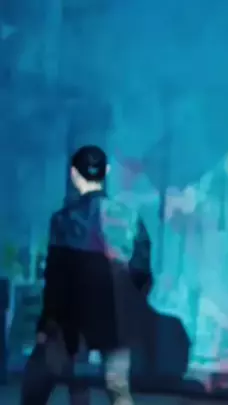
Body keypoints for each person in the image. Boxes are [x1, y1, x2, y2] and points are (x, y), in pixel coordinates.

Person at [20, 145, 152, 405]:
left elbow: (56, 278)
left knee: (67, 381)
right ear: (107, 172)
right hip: (117, 318)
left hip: (74, 319)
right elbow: (142, 271)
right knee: (118, 386)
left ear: (73, 174)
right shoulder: (130, 217)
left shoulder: (63, 220)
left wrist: (46, 323)